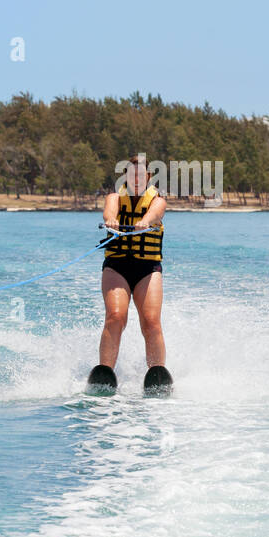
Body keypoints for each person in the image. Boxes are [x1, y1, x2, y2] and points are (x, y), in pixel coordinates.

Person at [88, 154, 172, 392]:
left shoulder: (158, 200)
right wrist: (112, 221)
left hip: (147, 268)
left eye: (140, 175)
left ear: (147, 177)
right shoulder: (115, 197)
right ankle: (105, 372)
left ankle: (157, 373)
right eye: (131, 174)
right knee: (116, 316)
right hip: (117, 266)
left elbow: (155, 213)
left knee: (151, 322)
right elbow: (109, 213)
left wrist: (145, 221)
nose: (136, 179)